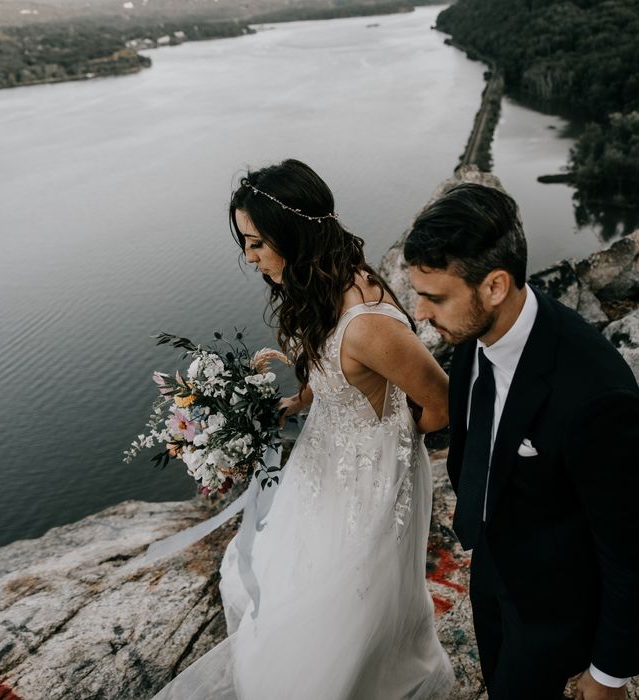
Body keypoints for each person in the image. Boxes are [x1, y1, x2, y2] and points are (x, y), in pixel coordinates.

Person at [151, 159, 455, 700]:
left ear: (294, 234)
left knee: (356, 601)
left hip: (373, 480)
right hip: (321, 462)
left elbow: (441, 403)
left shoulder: (370, 325)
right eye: (244, 242)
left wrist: (395, 441)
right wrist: (301, 401)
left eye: (257, 243)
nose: (248, 257)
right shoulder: (313, 287)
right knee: (298, 580)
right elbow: (326, 363)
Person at [403, 183, 639, 700]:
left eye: (434, 297)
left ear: (495, 286)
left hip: (556, 608)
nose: (421, 312)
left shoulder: (595, 394)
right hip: (493, 567)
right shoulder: (476, 335)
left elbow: (630, 549)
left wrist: (609, 674)